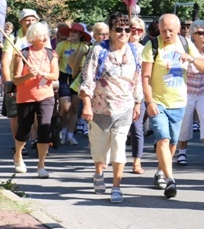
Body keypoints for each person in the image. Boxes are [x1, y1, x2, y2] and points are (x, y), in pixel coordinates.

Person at [142, 14, 204, 199]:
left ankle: (160, 172)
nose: (167, 34)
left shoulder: (186, 44)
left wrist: (192, 59)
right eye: (163, 30)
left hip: (178, 102)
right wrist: (149, 101)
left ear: (179, 29)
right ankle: (170, 180)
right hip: (158, 101)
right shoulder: (152, 46)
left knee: (172, 143)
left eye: (171, 30)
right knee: (162, 138)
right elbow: (145, 77)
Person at [80, 13, 142, 203]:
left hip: (124, 107)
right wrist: (87, 105)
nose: (123, 33)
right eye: (119, 30)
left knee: (119, 147)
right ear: (111, 31)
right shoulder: (98, 51)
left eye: (127, 30)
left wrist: (138, 102)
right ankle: (99, 173)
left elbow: (136, 79)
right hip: (100, 108)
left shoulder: (134, 51)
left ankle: (116, 186)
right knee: (99, 150)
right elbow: (87, 79)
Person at [11, 22, 59, 177]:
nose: (46, 37)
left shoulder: (51, 54)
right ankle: (18, 155)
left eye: (46, 34)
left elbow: (55, 76)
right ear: (34, 36)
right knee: (24, 128)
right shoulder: (22, 53)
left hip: (46, 96)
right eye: (42, 35)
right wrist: (29, 75)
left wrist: (42, 74)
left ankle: (41, 165)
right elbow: (16, 80)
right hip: (25, 97)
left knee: (45, 128)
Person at [176, 20, 204, 168]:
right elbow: (178, 70)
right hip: (187, 91)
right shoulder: (185, 49)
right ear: (193, 34)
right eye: (201, 33)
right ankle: (182, 152)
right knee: (185, 123)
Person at [1, 9, 39, 154]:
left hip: (36, 82)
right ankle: (19, 144)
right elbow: (5, 62)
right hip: (16, 80)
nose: (30, 23)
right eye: (27, 20)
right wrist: (8, 84)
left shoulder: (41, 36)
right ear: (21, 22)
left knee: (36, 113)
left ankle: (36, 139)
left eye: (33, 19)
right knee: (15, 115)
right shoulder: (14, 38)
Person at [56, 23, 91, 145]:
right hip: (63, 76)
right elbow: (55, 60)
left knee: (74, 108)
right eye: (71, 31)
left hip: (78, 78)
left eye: (75, 32)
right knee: (65, 107)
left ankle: (70, 136)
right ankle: (62, 131)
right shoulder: (62, 45)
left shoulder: (85, 47)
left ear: (81, 34)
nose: (72, 33)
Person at [128, 17, 147, 174]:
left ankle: (137, 162)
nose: (135, 32)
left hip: (139, 94)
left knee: (137, 128)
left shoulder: (144, 50)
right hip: (119, 94)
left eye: (139, 30)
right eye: (132, 28)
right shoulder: (119, 48)